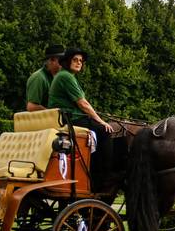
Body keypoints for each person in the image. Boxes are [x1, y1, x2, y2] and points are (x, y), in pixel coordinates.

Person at [48, 47, 116, 187]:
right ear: (67, 62)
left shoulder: (65, 76)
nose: (79, 63)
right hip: (70, 119)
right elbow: (83, 104)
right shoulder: (66, 76)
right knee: (105, 131)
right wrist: (101, 121)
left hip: (68, 117)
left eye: (81, 61)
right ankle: (101, 178)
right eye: (75, 60)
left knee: (99, 128)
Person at [25, 44, 64, 111]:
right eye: (62, 60)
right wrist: (52, 114)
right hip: (44, 120)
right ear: (52, 60)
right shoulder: (38, 77)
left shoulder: (60, 77)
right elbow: (31, 106)